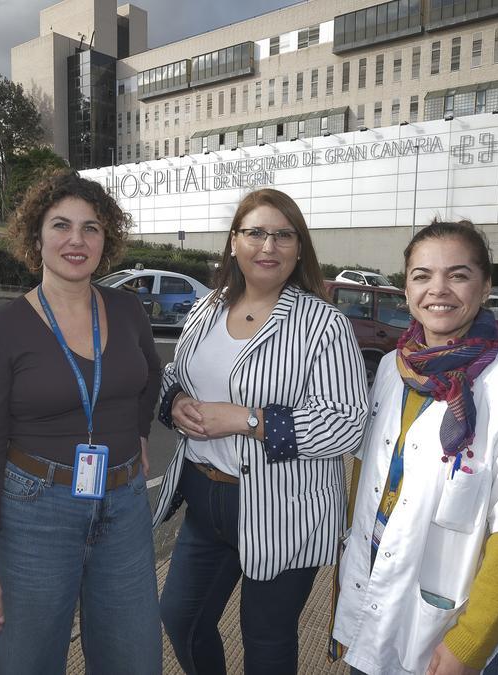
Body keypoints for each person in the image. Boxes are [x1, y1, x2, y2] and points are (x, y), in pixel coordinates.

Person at [153, 188, 369, 674]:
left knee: (266, 641)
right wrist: (178, 403)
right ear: (233, 242)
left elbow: (347, 424)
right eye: (255, 233)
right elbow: (174, 377)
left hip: (282, 510)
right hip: (206, 499)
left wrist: (249, 420)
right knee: (180, 617)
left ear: (299, 248)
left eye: (282, 235)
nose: (267, 246)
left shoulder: (323, 325)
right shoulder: (207, 308)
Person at [331, 220, 498, 675]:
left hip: (450, 630)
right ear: (406, 286)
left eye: (457, 275)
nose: (439, 289)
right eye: (422, 275)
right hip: (373, 597)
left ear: (486, 285)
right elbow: (369, 477)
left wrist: (470, 641)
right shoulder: (394, 370)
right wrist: (349, 575)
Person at [0, 171, 163, 674]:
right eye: (61, 225)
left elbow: (151, 375)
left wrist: (138, 431)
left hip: (124, 507)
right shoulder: (2, 329)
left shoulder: (126, 308)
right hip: (36, 511)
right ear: (36, 238)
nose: (76, 239)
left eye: (91, 227)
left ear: (106, 239)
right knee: (31, 662)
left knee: (134, 660)